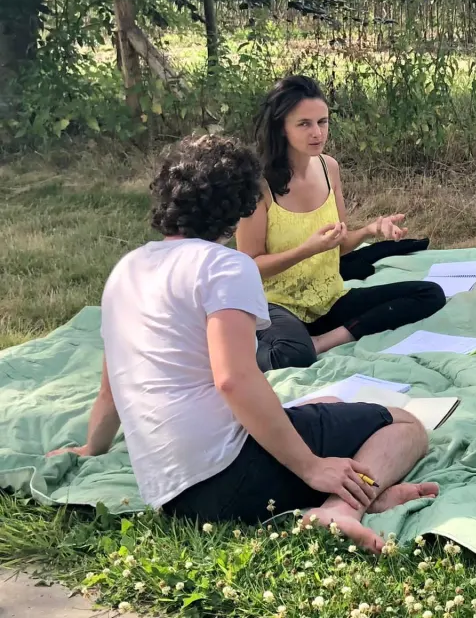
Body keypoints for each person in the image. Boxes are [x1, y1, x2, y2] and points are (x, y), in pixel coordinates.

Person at [46, 135, 438, 552]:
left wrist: (93, 448)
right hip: (228, 476)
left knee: (330, 407)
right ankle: (341, 508)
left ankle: (364, 495)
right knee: (404, 425)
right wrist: (311, 467)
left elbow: (111, 388)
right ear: (242, 204)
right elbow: (233, 379)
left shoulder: (127, 268)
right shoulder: (226, 266)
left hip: (169, 492)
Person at [236, 75, 446, 372]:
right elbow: (248, 267)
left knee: (429, 293)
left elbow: (340, 245)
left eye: (322, 122)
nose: (317, 133)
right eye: (304, 124)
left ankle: (325, 341)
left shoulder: (328, 167)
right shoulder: (260, 186)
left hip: (330, 299)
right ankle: (299, 341)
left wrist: (369, 231)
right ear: (281, 127)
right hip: (277, 306)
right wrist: (306, 250)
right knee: (290, 356)